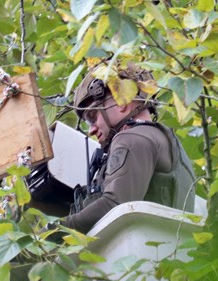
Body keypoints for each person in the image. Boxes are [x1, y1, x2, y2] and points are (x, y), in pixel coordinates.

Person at [63, 63, 196, 233]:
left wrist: (58, 231)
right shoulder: (164, 140)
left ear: (122, 100)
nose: (91, 129)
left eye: (92, 116)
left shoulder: (131, 139)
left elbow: (115, 204)